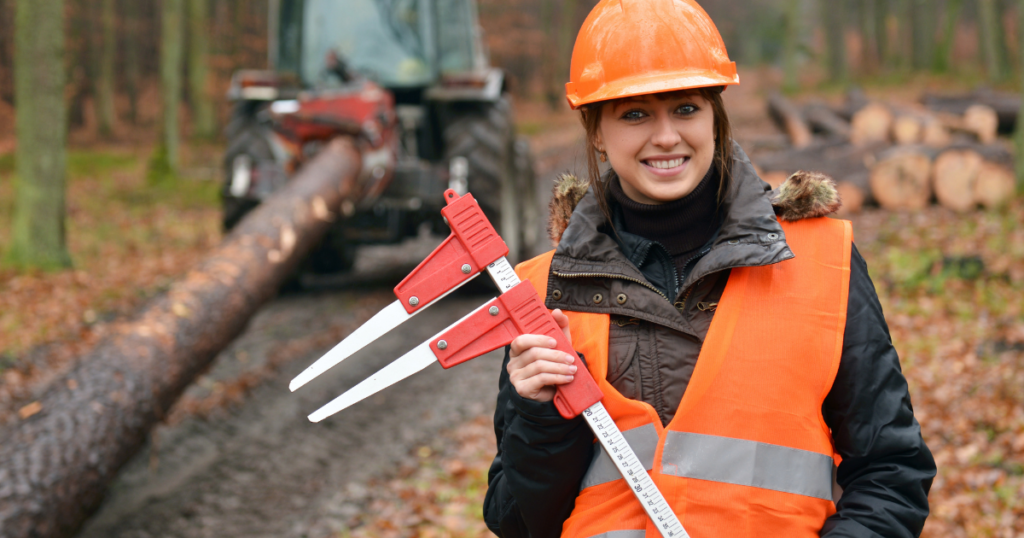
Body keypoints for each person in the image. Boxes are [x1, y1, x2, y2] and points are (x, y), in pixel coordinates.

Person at [482, 1, 936, 537]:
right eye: (634, 113)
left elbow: (892, 472)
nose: (667, 136)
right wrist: (537, 417)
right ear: (597, 131)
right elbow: (515, 520)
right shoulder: (546, 292)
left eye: (686, 108)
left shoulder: (822, 260)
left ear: (715, 118)